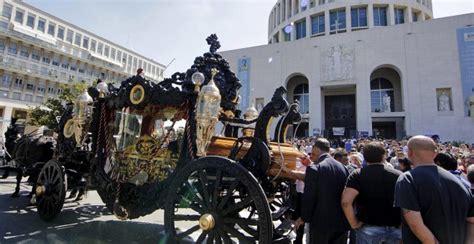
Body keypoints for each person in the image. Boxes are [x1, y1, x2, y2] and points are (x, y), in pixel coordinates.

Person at [394, 136, 474, 244]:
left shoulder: (407, 179)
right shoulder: (460, 181)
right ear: (435, 153)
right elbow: (471, 221)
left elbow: (415, 223)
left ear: (410, 153)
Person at [341, 142, 402, 244]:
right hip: (395, 228)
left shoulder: (357, 175)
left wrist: (353, 223)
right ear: (384, 156)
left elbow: (346, 202)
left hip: (368, 227)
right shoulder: (398, 175)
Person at [298, 138, 350, 243]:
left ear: (316, 149)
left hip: (320, 224)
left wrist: (303, 218)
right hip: (341, 222)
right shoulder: (343, 168)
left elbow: (309, 197)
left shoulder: (314, 168)